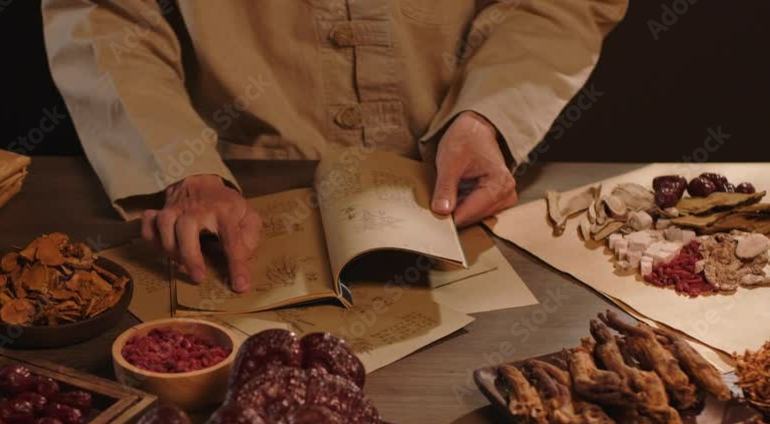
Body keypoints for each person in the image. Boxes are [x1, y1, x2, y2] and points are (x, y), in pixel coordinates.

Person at [43, 0, 627, 292]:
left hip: (456, 175)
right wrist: (180, 164)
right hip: (235, 189)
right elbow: (104, 12)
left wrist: (488, 115)